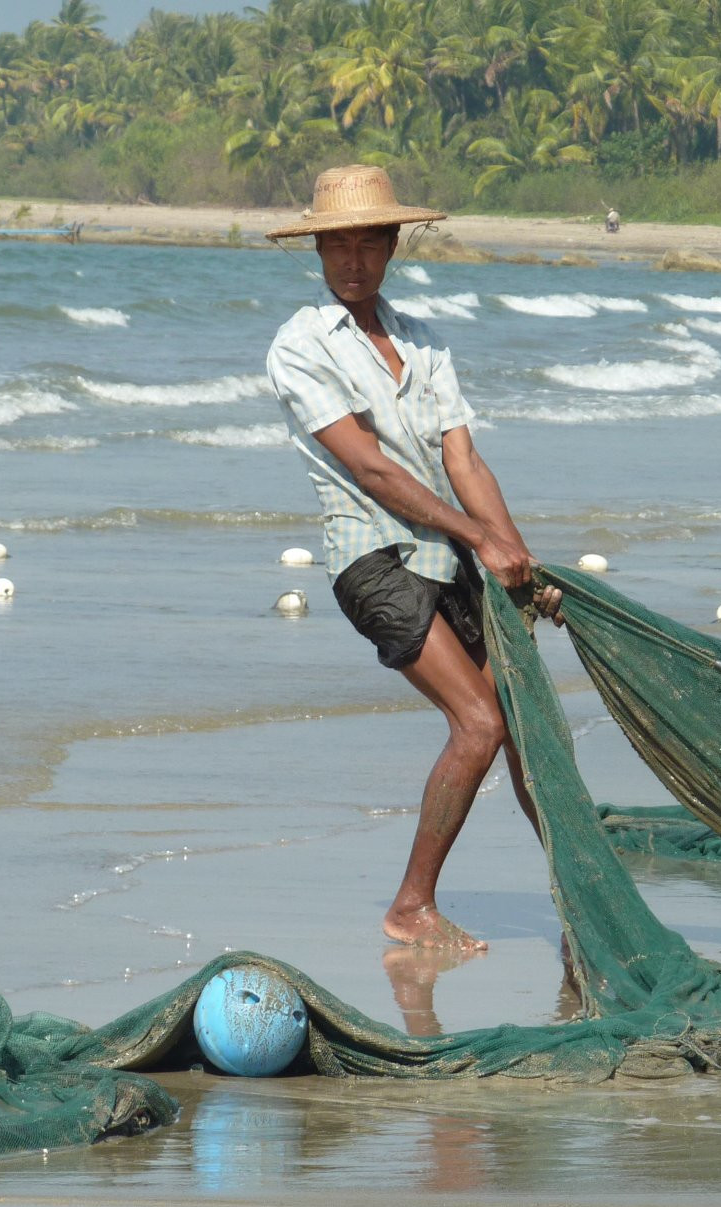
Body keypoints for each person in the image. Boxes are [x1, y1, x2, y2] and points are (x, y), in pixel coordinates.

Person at [265, 164, 561, 953]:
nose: (352, 261)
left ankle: (577, 888)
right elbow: (372, 470)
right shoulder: (300, 345)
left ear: (392, 246)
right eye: (337, 246)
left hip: (451, 555)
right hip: (373, 558)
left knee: (524, 725)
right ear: (318, 251)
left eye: (368, 243)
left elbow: (464, 462)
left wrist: (515, 556)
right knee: (477, 723)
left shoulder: (423, 343)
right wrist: (479, 539)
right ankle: (410, 907)